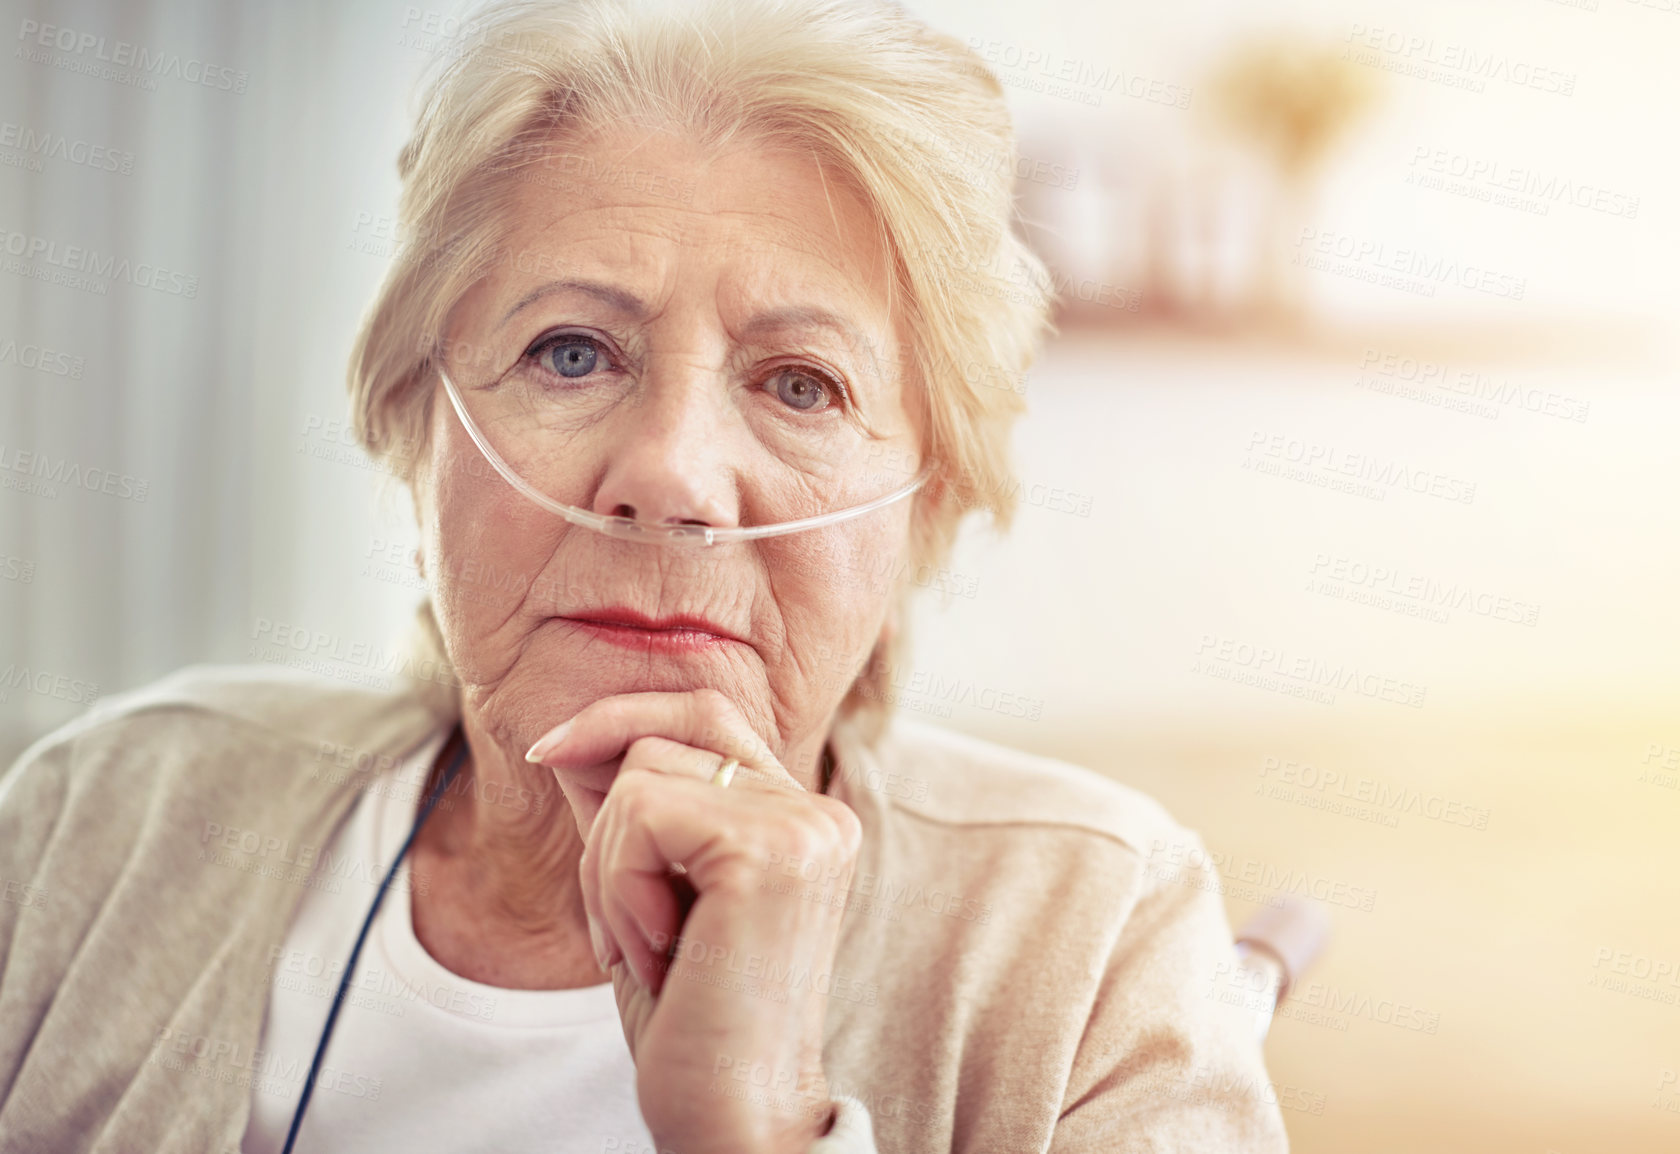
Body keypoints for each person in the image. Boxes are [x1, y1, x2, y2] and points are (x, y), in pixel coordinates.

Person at [0, 1, 1289, 1151]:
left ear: (926, 505)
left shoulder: (1097, 940)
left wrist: (766, 1132)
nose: (670, 474)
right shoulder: (102, 812)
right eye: (570, 353)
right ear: (415, 433)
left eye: (800, 383)